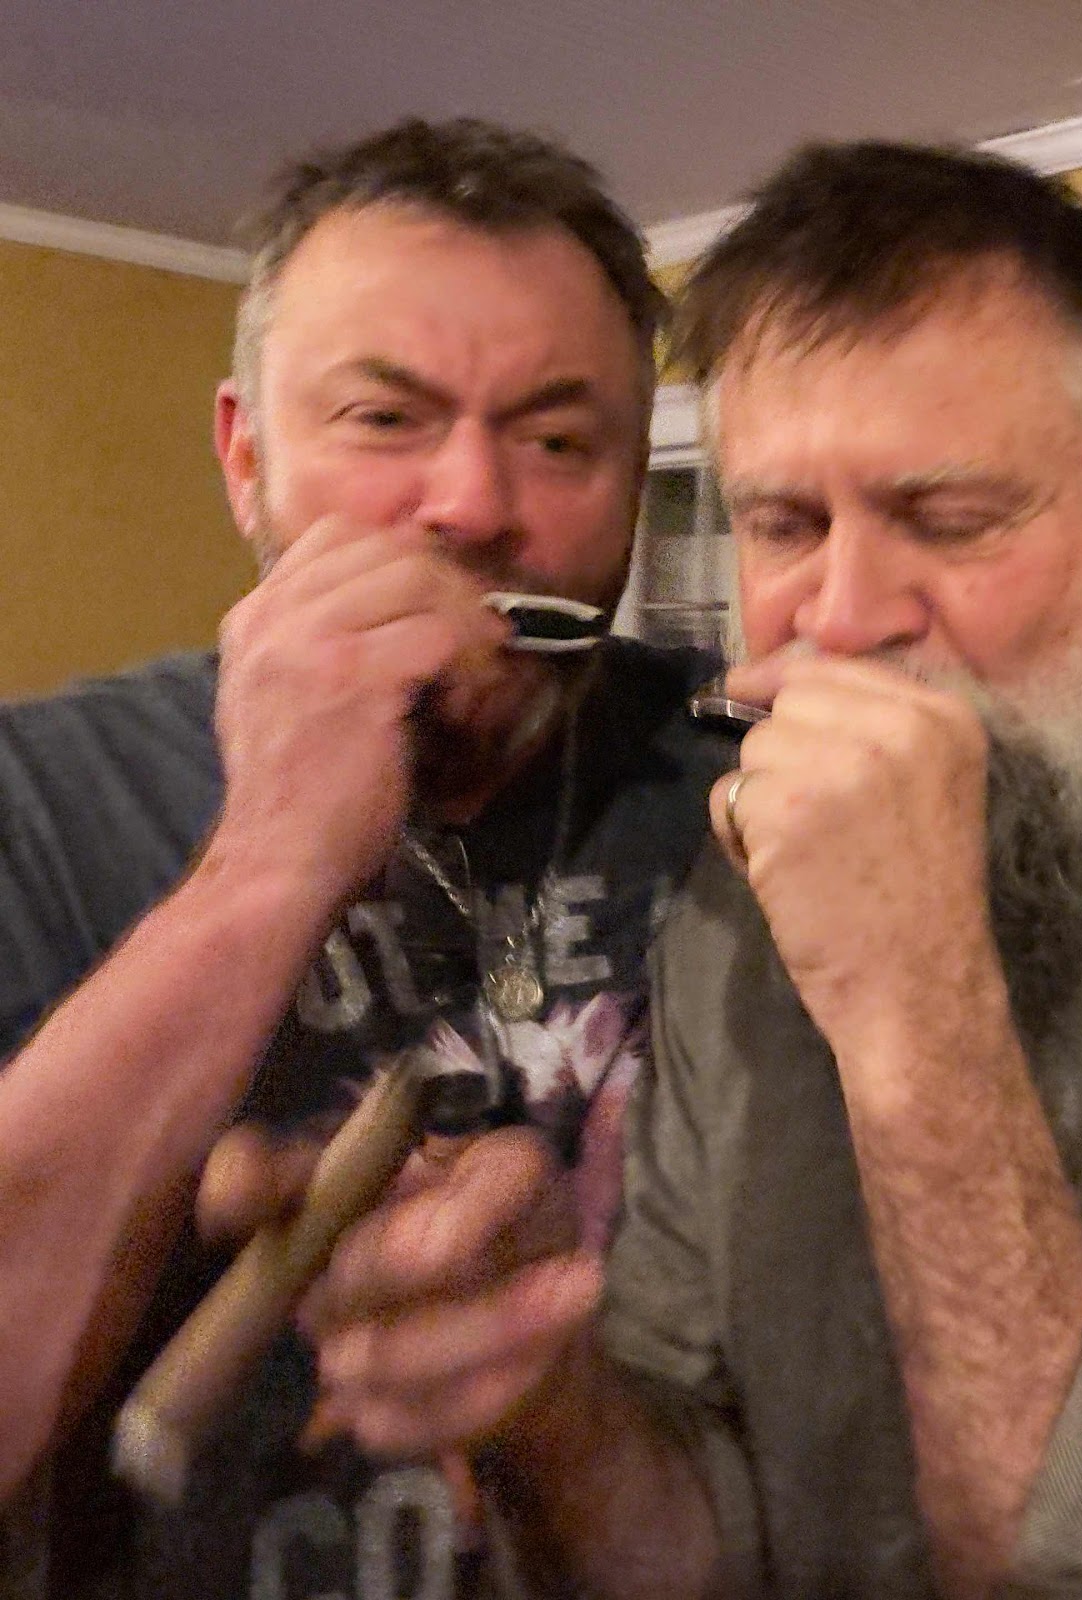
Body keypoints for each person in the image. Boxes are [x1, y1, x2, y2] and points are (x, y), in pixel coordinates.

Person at [0, 121, 1082, 1599]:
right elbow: (707, 1528)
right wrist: (550, 1393)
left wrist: (918, 1006)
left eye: (949, 517)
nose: (841, 616)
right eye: (780, 524)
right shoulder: (734, 874)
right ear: (243, 454)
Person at [0, 118, 732, 1596]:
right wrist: (267, 863)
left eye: (559, 440)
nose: (472, 505)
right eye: (384, 419)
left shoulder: (747, 781)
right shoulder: (34, 798)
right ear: (245, 457)